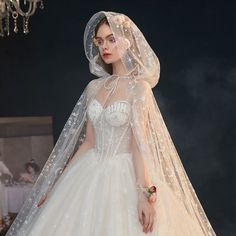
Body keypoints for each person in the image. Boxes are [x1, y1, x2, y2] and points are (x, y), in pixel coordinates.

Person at [6, 11, 217, 236]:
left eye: (111, 39)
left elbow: (139, 144)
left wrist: (144, 195)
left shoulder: (139, 89)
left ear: (127, 42)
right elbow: (89, 141)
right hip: (89, 169)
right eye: (99, 41)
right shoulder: (93, 88)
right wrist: (57, 183)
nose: (104, 47)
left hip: (125, 173)